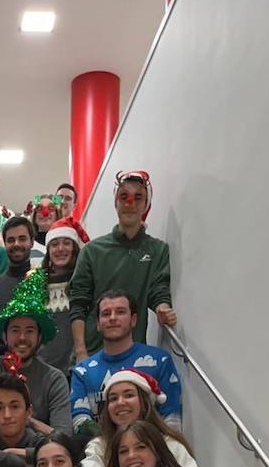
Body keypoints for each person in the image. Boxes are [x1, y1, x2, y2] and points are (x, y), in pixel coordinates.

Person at [70, 170, 177, 362]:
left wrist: (163, 308)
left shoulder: (157, 250)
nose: (130, 204)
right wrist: (80, 353)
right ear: (116, 202)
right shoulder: (92, 251)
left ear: (146, 204)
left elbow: (158, 291)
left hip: (134, 357)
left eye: (138, 197)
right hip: (93, 355)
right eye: (124, 196)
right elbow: (78, 304)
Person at [0, 275, 72, 439]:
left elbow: (63, 433)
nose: (22, 337)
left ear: (39, 337)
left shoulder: (54, 378)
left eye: (29, 330)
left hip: (38, 452)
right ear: (4, 336)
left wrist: (27, 424)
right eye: (15, 330)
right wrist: (24, 420)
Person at [70, 291, 182, 435]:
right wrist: (113, 447)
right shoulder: (82, 371)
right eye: (105, 314)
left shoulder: (159, 360)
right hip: (102, 452)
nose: (112, 318)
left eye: (120, 312)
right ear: (98, 324)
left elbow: (172, 420)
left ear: (133, 320)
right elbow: (80, 422)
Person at [79, 369, 196, 467]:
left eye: (129, 395)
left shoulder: (169, 442)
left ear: (145, 403)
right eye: (113, 398)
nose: (120, 402)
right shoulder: (100, 445)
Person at [39, 219, 83, 372]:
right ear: (48, 250)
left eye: (66, 243)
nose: (60, 249)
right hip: (44, 370)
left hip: (76, 369)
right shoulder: (37, 285)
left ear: (75, 248)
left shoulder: (83, 283)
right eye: (55, 244)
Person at [0, 217, 36, 307]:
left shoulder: (43, 283)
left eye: (22, 239)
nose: (16, 244)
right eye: (11, 240)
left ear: (32, 242)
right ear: (5, 244)